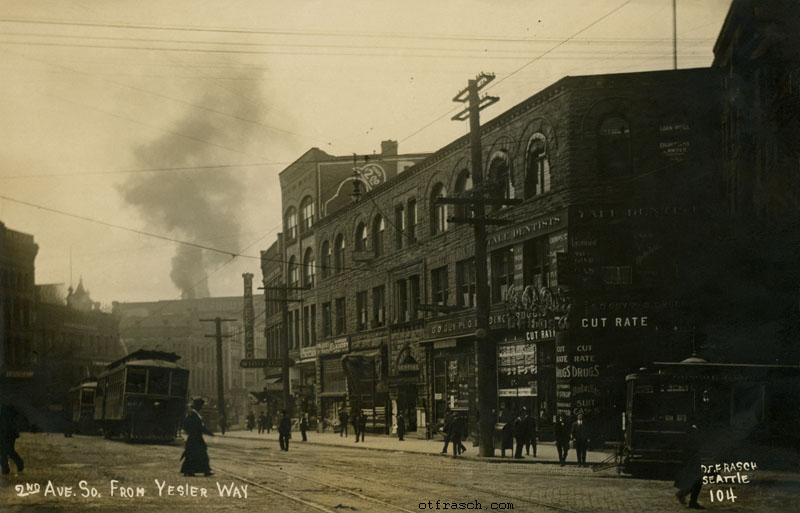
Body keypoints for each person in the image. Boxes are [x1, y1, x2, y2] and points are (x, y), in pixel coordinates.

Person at [675, 418, 704, 509]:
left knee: (696, 480)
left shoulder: (692, 431)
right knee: (698, 480)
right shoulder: (693, 432)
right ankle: (688, 498)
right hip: (692, 459)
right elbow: (693, 447)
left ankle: (686, 496)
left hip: (692, 459)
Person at [180, 398, 213, 477]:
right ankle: (204, 470)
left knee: (193, 454)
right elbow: (195, 426)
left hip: (195, 437)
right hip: (195, 438)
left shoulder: (195, 414)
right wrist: (208, 432)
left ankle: (191, 470)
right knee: (200, 454)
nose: (201, 408)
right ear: (197, 406)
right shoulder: (193, 415)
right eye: (200, 406)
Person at [0, 402, 24, 475]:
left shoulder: (4, 411)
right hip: (9, 434)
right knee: (9, 451)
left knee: (4, 452)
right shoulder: (9, 411)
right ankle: (18, 465)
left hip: (5, 434)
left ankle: (6, 469)